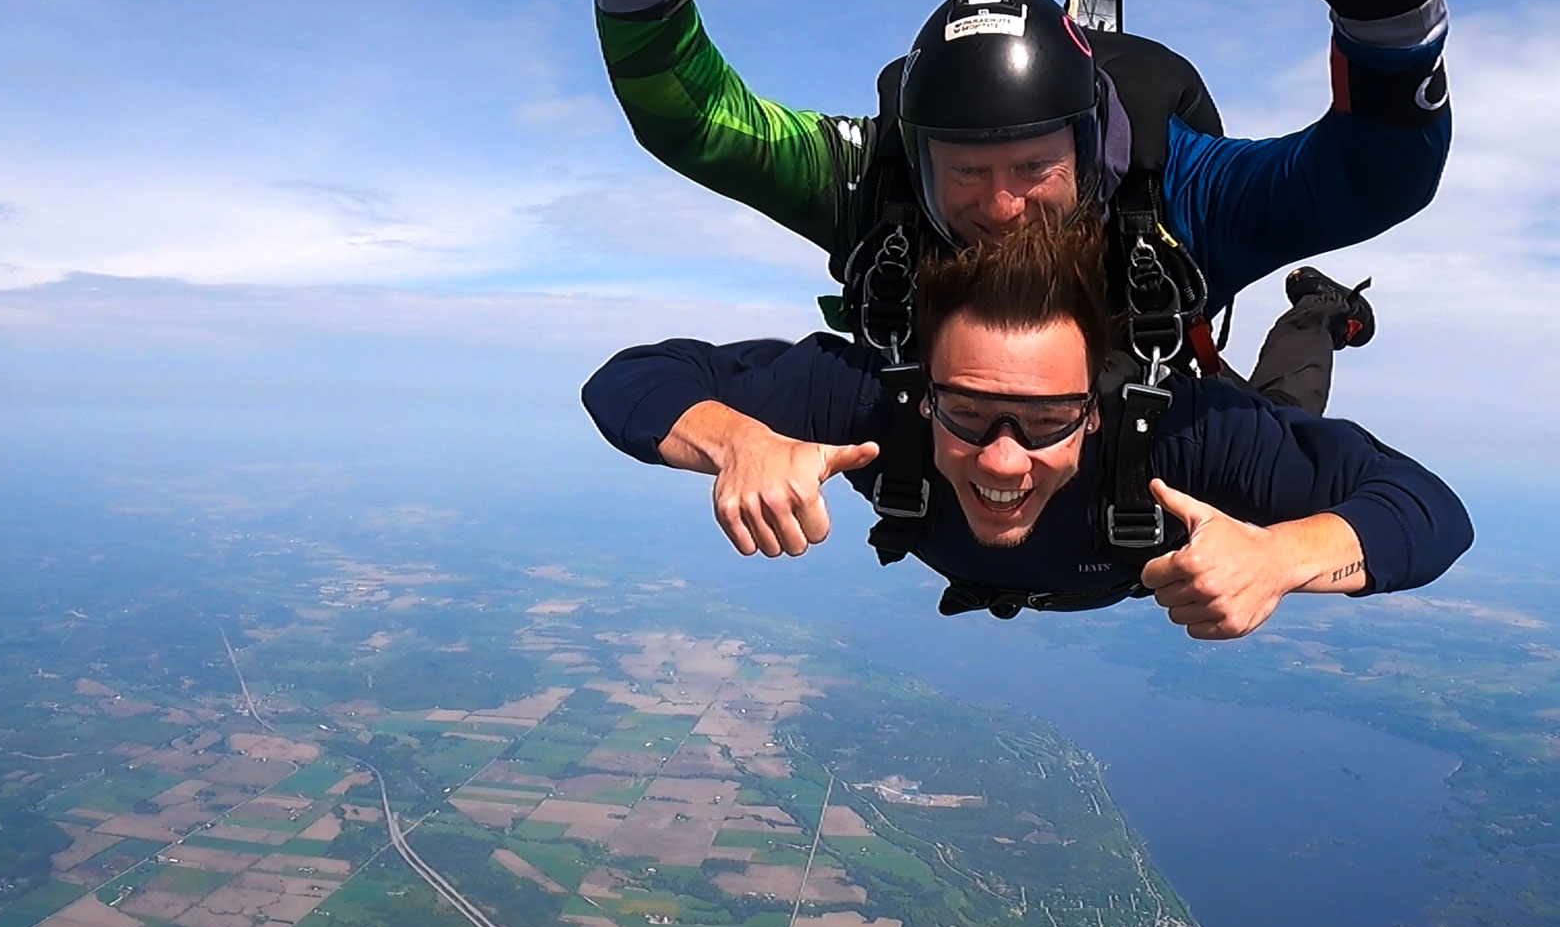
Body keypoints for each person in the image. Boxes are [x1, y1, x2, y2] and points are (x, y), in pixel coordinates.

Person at [563, 0, 1458, 418]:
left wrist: (1392, 20)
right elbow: (705, 125)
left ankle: (1321, 315)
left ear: (1088, 150)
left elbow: (1373, 176)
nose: (999, 205)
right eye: (965, 171)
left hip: (1159, 434)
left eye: (1032, 168)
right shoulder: (882, 184)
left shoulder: (1176, 190)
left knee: (1280, 441)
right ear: (919, 163)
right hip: (960, 484)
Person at [580, 220, 1473, 638]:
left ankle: (1319, 310)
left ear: (1097, 405)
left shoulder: (1176, 438)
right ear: (922, 388)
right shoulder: (872, 405)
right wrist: (737, 438)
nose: (1004, 456)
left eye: (1047, 421)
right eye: (967, 410)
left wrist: (1278, 558)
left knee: (1284, 410)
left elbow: (1430, 511)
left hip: (1222, 452)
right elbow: (630, 380)